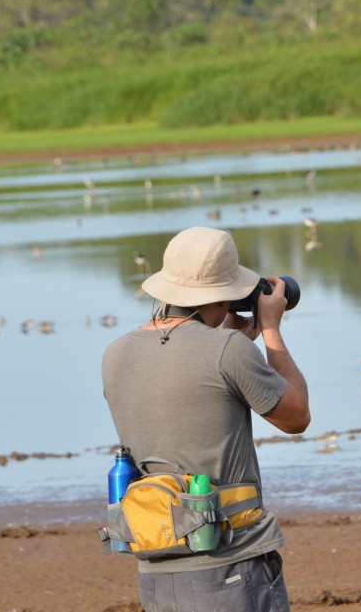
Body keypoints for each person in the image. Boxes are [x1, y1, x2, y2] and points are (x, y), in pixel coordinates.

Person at [102, 226, 310, 612]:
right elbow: (296, 417)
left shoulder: (115, 354)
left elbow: (186, 382)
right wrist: (270, 331)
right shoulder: (228, 350)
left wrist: (227, 344)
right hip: (231, 562)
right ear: (225, 294)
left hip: (156, 564)